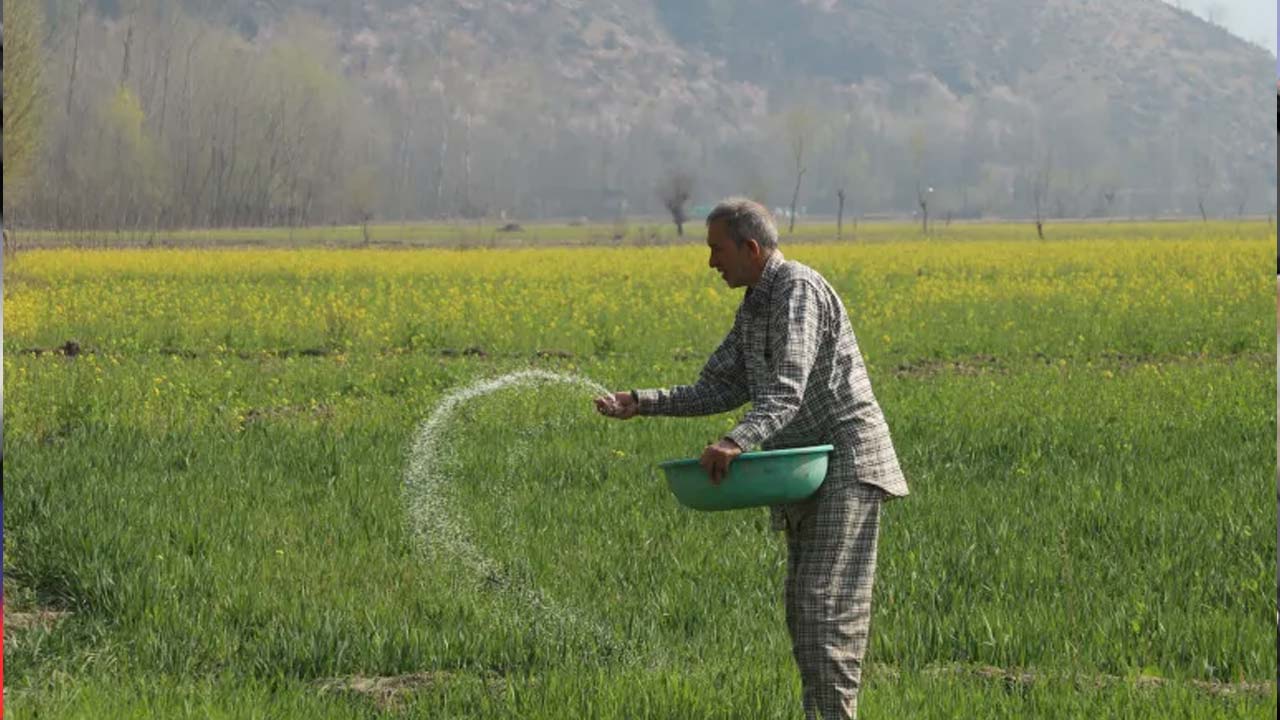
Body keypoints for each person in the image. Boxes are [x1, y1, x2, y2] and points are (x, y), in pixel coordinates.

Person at [594, 197, 908, 719]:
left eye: (717, 249)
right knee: (803, 610)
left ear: (751, 248)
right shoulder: (754, 306)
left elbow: (786, 388)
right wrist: (641, 402)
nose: (710, 262)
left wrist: (736, 442)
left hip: (848, 463)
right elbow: (717, 387)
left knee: (823, 607)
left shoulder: (797, 291)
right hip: (803, 470)